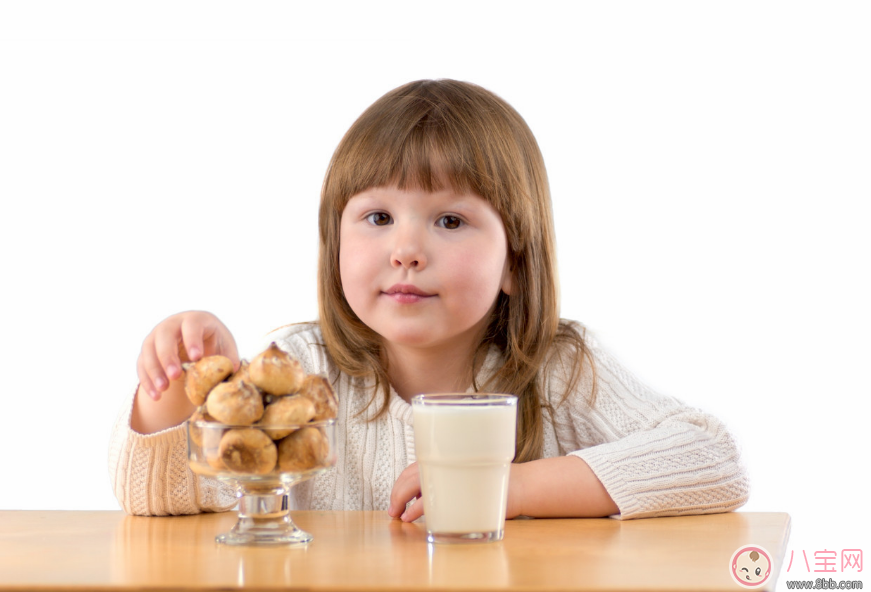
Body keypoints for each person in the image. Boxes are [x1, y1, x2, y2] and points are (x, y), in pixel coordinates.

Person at [109, 79, 749, 520]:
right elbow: (161, 500)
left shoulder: (557, 369)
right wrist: (177, 379)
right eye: (378, 216)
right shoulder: (301, 370)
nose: (406, 250)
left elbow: (713, 459)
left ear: (515, 263)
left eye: (449, 221)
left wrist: (507, 488)